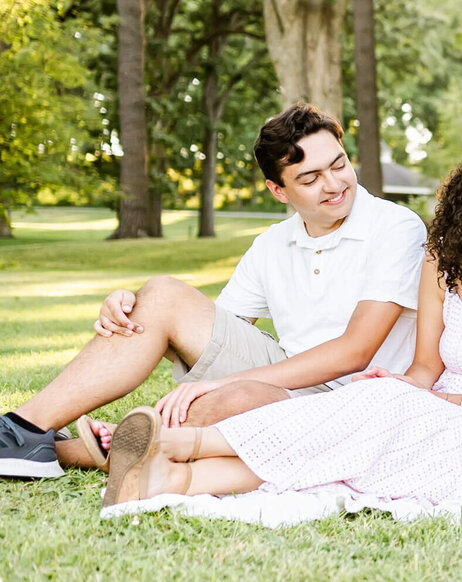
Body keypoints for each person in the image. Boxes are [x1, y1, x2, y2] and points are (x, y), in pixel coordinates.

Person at [100, 146, 462, 509]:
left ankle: (172, 444)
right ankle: (171, 482)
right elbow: (425, 368)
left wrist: (421, 398)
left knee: (368, 435)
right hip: (436, 411)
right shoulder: (443, 266)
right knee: (359, 427)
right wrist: (400, 387)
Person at [0, 104, 426, 480]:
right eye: (311, 178)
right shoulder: (272, 244)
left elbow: (356, 351)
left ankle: (76, 450)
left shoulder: (396, 227)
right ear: (279, 191)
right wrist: (132, 310)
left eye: (339, 165)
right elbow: (209, 340)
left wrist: (226, 384)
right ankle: (25, 428)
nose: (334, 184)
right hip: (287, 373)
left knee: (238, 399)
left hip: (359, 396)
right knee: (163, 294)